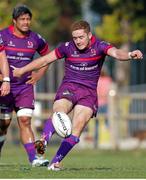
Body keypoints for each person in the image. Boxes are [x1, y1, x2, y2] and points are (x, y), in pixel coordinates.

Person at [12, 20, 143, 170]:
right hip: (70, 87)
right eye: (75, 38)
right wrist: (22, 70)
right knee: (59, 110)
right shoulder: (67, 48)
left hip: (88, 93)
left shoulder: (100, 46)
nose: (78, 41)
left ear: (89, 35)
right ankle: (43, 140)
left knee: (77, 128)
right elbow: (45, 59)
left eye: (81, 37)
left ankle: (55, 162)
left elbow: (117, 53)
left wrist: (130, 54)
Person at [0, 4, 50, 166]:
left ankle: (34, 158)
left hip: (24, 88)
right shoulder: (2, 36)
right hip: (4, 87)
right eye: (22, 19)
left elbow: (47, 57)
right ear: (14, 21)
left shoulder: (35, 39)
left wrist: (38, 74)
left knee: (25, 121)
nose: (26, 22)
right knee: (3, 124)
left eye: (28, 19)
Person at [94, 66, 113, 148]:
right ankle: (112, 141)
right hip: (105, 103)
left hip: (97, 103)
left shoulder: (96, 80)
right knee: (107, 122)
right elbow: (109, 90)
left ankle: (96, 143)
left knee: (97, 124)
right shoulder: (108, 80)